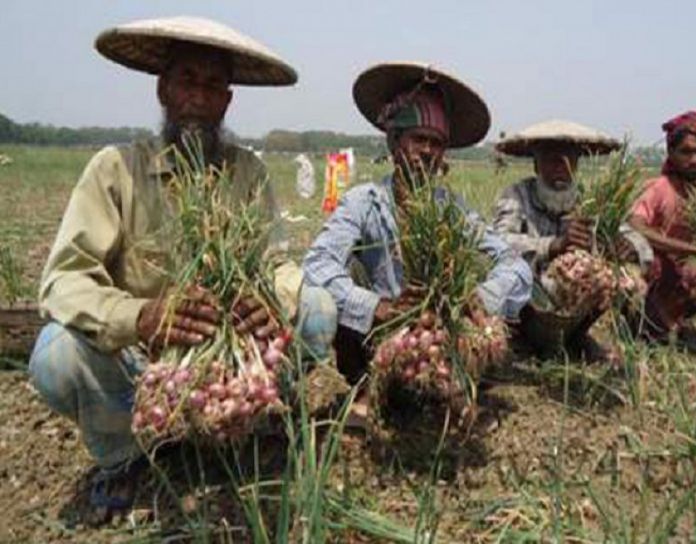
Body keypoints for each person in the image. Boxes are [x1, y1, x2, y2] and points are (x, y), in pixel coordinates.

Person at [27, 16, 337, 520]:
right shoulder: (115, 169)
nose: (199, 95)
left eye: (213, 85)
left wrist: (270, 300)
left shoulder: (248, 172)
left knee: (318, 307)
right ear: (163, 89)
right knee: (54, 355)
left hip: (231, 357)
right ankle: (123, 455)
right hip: (144, 365)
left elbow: (278, 261)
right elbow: (64, 279)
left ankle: (243, 419)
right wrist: (143, 316)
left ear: (227, 100)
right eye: (187, 80)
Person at [303, 62, 532, 384]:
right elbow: (317, 264)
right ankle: (364, 383)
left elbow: (515, 265)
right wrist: (378, 307)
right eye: (418, 139)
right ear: (394, 143)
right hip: (377, 335)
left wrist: (481, 298)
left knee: (477, 272)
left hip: (436, 336)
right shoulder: (363, 202)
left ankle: (450, 386)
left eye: (436, 143)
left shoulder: (454, 211)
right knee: (343, 275)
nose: (427, 151)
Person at [493, 120, 652, 362]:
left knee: (622, 281)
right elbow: (498, 241)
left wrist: (629, 247)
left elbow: (634, 237)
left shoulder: (590, 200)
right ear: (536, 164)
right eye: (551, 159)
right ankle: (528, 339)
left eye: (568, 160)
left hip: (577, 293)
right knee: (517, 279)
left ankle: (575, 336)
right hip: (532, 295)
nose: (561, 168)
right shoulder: (517, 195)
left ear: (576, 165)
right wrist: (553, 245)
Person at [628, 111, 696, 341]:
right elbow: (636, 226)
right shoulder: (659, 188)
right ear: (671, 153)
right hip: (654, 271)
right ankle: (648, 321)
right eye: (686, 152)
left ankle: (675, 319)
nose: (694, 159)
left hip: (681, 275)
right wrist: (689, 249)